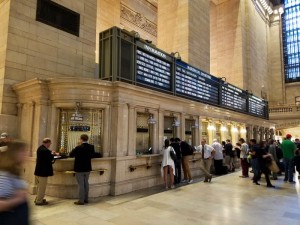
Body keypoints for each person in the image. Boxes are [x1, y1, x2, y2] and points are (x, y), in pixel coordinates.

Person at [0, 141, 30, 225]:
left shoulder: (14, 171)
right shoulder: (5, 174)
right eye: (23, 151)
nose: (26, 154)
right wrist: (18, 199)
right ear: (15, 153)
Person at [69, 134, 95, 205]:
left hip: (79, 169)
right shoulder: (91, 147)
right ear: (87, 139)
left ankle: (81, 200)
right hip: (87, 168)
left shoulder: (78, 147)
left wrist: (75, 147)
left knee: (81, 185)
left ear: (81, 139)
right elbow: (93, 155)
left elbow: (71, 155)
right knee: (86, 183)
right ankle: (86, 199)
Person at [34, 138, 58, 206]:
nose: (50, 144)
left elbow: (47, 153)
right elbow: (50, 158)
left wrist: (51, 153)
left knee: (39, 187)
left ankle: (38, 198)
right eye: (50, 143)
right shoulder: (45, 150)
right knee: (42, 187)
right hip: (43, 172)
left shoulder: (40, 148)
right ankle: (39, 201)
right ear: (47, 143)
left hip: (39, 171)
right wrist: (53, 154)